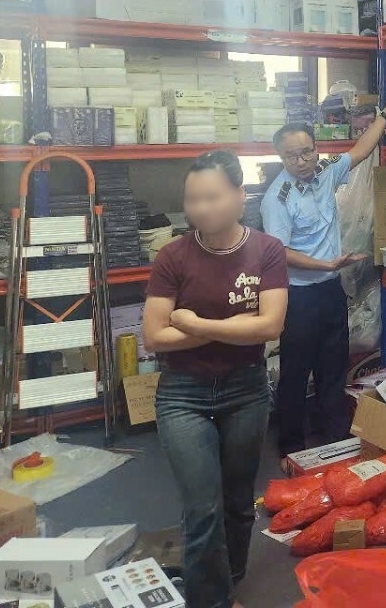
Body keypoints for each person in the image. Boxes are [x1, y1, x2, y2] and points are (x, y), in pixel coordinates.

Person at [143, 150, 288, 608]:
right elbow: (154, 337)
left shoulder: (267, 250)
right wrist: (231, 327)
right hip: (182, 394)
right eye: (192, 199)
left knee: (239, 502)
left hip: (246, 389)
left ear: (240, 195)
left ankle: (228, 580)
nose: (200, 208)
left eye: (211, 197)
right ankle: (213, 601)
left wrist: (197, 325)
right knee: (202, 507)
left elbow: (269, 327)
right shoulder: (173, 256)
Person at [262, 109, 386, 457]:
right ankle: (291, 447)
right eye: (292, 156)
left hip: (331, 290)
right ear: (281, 157)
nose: (302, 161)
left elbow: (360, 150)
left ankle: (336, 439)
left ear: (316, 149)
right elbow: (280, 251)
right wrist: (325, 264)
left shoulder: (324, 172)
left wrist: (383, 118)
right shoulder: (277, 198)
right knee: (296, 371)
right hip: (299, 297)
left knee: (333, 367)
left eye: (307, 152)